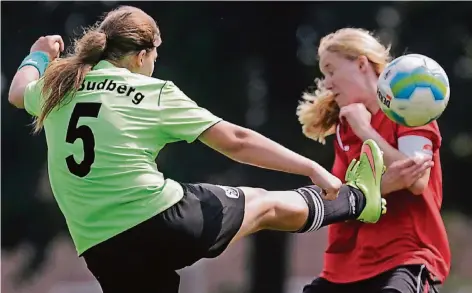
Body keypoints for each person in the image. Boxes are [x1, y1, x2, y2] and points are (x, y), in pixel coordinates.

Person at [8, 7, 387, 293]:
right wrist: (313, 168)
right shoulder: (153, 93)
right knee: (263, 204)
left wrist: (39, 54)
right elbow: (236, 142)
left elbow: (17, 90)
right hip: (162, 221)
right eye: (155, 55)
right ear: (142, 55)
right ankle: (356, 201)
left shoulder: (58, 88)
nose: (155, 63)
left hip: (100, 249)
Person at [297, 27, 451, 293]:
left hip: (405, 257)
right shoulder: (344, 127)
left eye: (331, 71)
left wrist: (365, 130)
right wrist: (381, 185)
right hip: (342, 268)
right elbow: (340, 198)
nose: (327, 83)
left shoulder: (410, 106)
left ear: (361, 63)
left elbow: (416, 180)